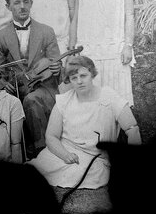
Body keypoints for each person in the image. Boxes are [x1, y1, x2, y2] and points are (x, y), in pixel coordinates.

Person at [29, 55, 140, 188]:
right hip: (65, 152)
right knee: (36, 168)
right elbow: (51, 136)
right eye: (74, 78)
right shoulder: (64, 101)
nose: (79, 81)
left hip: (94, 159)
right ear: (69, 80)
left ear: (92, 74)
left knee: (81, 172)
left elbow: (132, 129)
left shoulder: (109, 96)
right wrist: (65, 155)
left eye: (83, 75)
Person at [0, 0, 62, 158]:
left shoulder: (46, 31)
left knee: (31, 100)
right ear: (8, 6)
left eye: (25, 2)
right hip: (16, 89)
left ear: (31, 3)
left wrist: (57, 68)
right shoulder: (0, 37)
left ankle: (43, 152)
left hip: (44, 88)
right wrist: (4, 85)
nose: (22, 6)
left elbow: (57, 65)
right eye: (16, 3)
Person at [69, 0, 135, 104]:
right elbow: (75, 20)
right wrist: (72, 49)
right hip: (89, 51)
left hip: (114, 51)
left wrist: (128, 45)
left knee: (116, 101)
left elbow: (130, 17)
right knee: (91, 101)